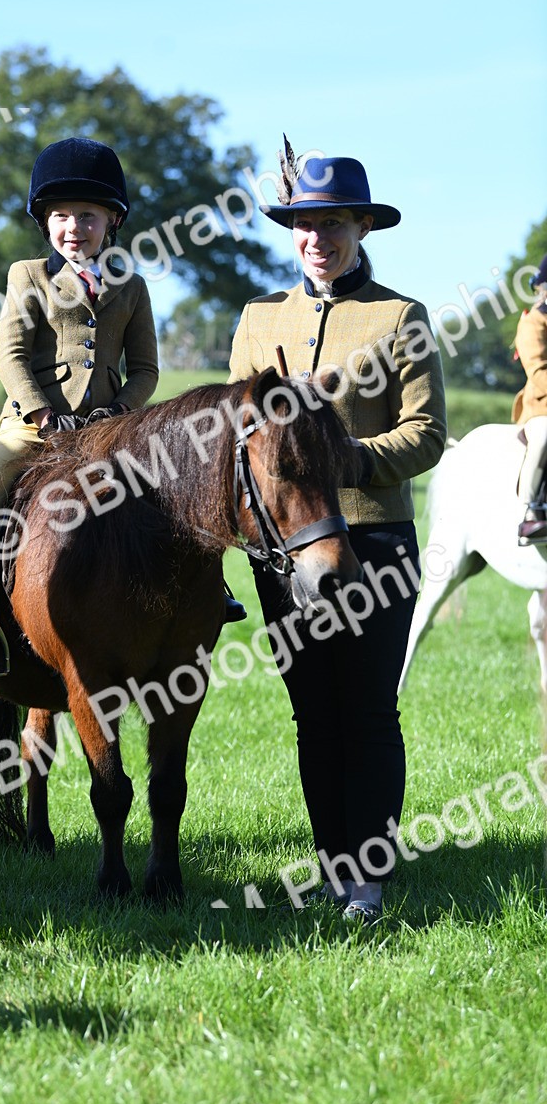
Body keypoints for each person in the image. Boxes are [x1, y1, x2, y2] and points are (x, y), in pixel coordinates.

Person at [229, 146, 447, 923]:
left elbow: (425, 434)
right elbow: (238, 436)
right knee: (312, 712)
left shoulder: (400, 316)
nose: (317, 238)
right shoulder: (258, 321)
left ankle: (370, 875)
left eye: (333, 224)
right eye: (304, 225)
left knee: (367, 710)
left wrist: (344, 459)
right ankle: (333, 867)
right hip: (283, 554)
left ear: (361, 226)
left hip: (373, 544)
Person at [0, 137, 160, 678]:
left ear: (111, 220)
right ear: (46, 224)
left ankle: (209, 596)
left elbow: (146, 370)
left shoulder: (133, 287)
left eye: (87, 216)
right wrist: (43, 414)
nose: (74, 228)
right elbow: (10, 355)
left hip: (109, 429)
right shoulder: (28, 276)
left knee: (174, 492)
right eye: (61, 216)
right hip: (33, 427)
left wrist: (118, 412)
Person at [512, 253, 547, 544]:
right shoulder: (533, 322)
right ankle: (531, 510)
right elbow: (537, 369)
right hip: (541, 407)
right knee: (546, 436)